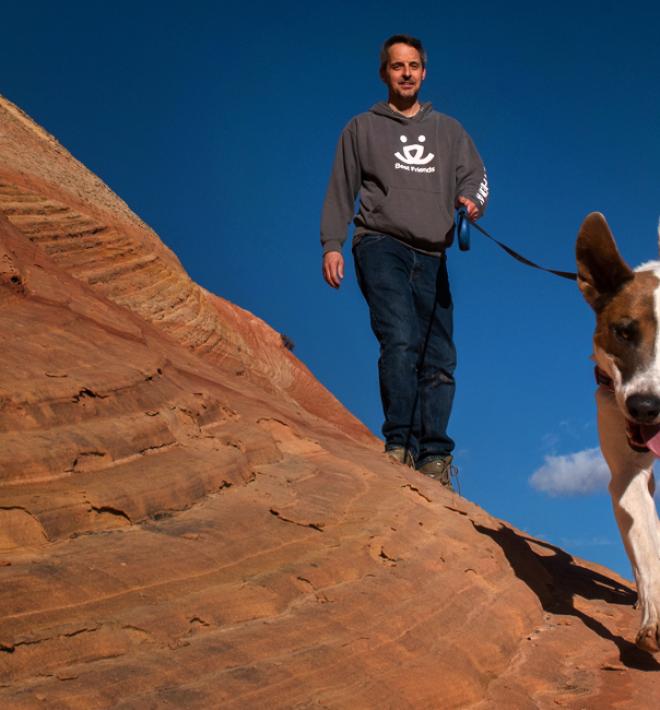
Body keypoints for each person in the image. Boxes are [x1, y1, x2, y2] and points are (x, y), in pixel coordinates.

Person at [320, 34, 489, 489]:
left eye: (414, 65)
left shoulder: (449, 131)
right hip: (380, 243)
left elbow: (477, 175)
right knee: (401, 341)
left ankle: (434, 456)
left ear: (424, 72)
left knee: (439, 357)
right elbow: (342, 186)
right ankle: (400, 444)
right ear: (385, 74)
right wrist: (332, 243)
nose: (407, 73)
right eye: (398, 66)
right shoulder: (361, 128)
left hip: (433, 253)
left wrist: (471, 201)